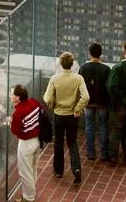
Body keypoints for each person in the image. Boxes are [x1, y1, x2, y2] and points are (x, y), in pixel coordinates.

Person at [44, 51, 90, 185]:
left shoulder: (54, 79)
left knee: (58, 142)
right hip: (72, 115)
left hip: (59, 114)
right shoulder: (78, 78)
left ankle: (58, 171)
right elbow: (86, 97)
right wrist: (77, 109)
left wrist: (53, 105)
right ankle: (76, 168)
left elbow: (48, 98)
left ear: (60, 63)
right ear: (72, 63)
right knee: (72, 142)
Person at [78, 43, 112, 162]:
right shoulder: (106, 69)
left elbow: (79, 85)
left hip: (88, 102)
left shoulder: (83, 68)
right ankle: (103, 153)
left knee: (89, 126)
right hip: (102, 102)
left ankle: (91, 153)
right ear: (101, 53)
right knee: (103, 126)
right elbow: (110, 86)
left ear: (89, 53)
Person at [10, 85, 42, 202]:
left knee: (25, 173)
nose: (10, 95)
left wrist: (11, 121)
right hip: (37, 141)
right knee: (33, 169)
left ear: (17, 97)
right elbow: (40, 112)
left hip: (26, 145)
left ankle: (28, 198)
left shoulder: (18, 113)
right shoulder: (34, 102)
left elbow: (15, 130)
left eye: (11, 94)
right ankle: (31, 193)